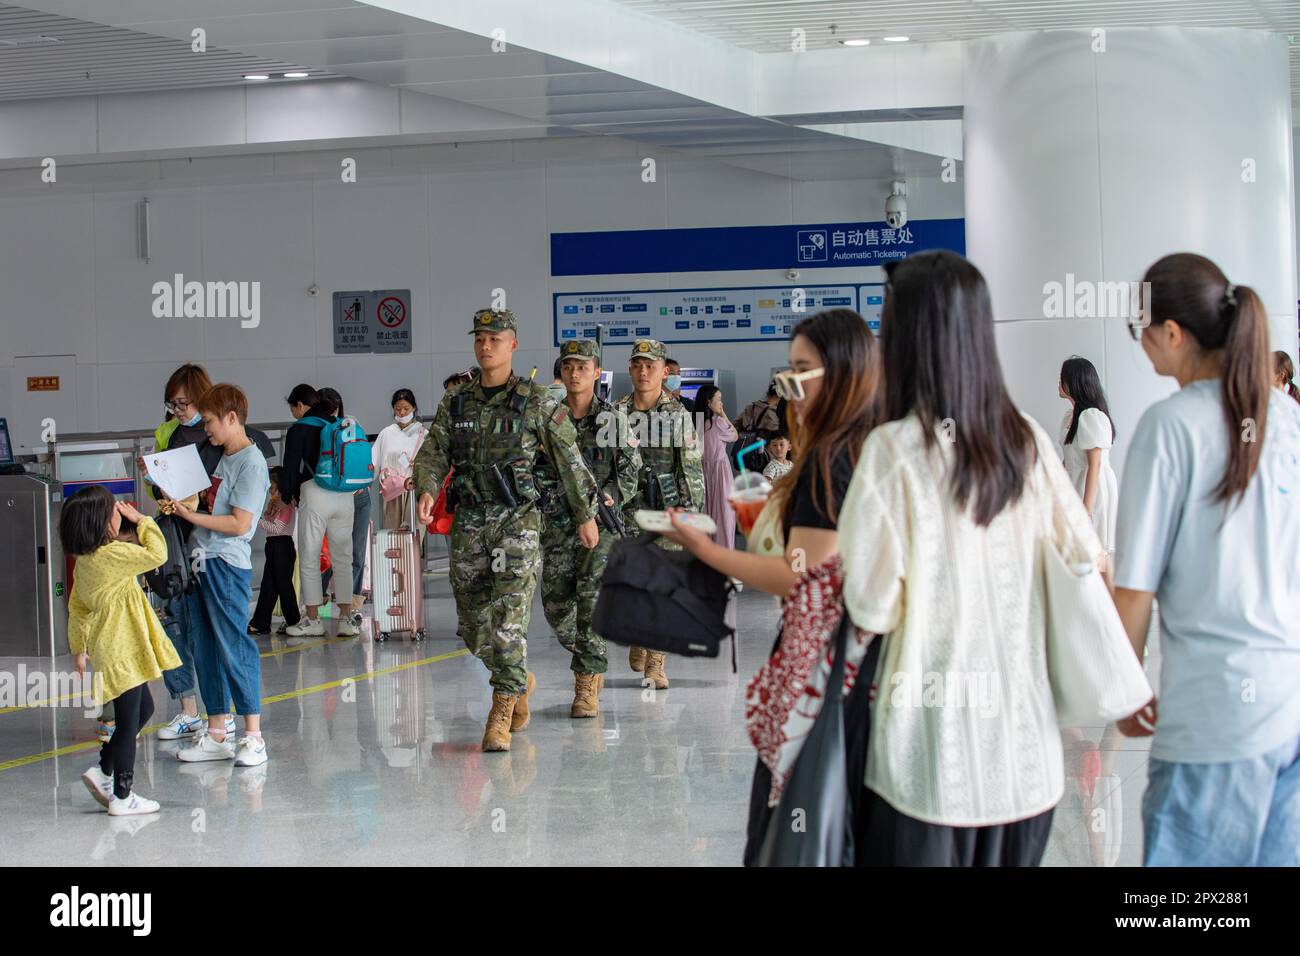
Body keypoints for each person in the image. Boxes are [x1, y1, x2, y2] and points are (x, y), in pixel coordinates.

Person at [839, 250, 1113, 867]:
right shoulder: (1028, 439)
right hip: (1027, 765)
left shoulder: (892, 450)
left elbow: (870, 605)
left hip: (927, 764)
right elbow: (1088, 560)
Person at [658, 308, 880, 865]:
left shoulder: (834, 457)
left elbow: (802, 574)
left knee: (796, 827)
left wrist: (708, 550)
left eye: (801, 372)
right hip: (857, 661)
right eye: (788, 373)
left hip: (825, 668)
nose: (788, 389)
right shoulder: (865, 445)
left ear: (843, 373)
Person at [1112, 253, 1300, 866]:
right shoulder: (1291, 422)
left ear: (1171, 333)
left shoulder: (1168, 429)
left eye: (1138, 329)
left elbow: (1135, 589)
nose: (1139, 344)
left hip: (1213, 725)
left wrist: (1122, 687)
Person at [413, 308, 600, 752]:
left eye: (495, 338)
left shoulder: (537, 401)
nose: (485, 345)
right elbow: (433, 452)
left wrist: (585, 516)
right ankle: (518, 681)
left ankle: (499, 712)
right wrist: (425, 486)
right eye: (479, 337)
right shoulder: (456, 401)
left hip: (517, 523)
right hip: (470, 523)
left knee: (509, 622)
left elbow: (568, 462)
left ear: (513, 344)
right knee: (472, 625)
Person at [149, 364, 266, 742]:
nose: (207, 428)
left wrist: (188, 513)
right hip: (201, 559)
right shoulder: (225, 457)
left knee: (233, 645)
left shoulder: (250, 462)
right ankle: (216, 731)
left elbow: (239, 524)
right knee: (205, 645)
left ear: (231, 419)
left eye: (211, 421)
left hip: (226, 564)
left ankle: (251, 733)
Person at [535, 339, 641, 716]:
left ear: (596, 372)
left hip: (603, 525)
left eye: (582, 367)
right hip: (560, 525)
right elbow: (534, 469)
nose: (575, 373)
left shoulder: (612, 419)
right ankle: (589, 654)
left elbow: (630, 469)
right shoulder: (547, 419)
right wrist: (551, 500)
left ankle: (586, 687)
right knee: (556, 605)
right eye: (568, 366)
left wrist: (611, 495)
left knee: (591, 599)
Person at [62, 489, 180, 815]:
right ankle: (123, 795)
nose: (121, 512)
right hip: (124, 649)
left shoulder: (84, 562)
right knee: (129, 722)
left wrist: (78, 650)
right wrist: (143, 521)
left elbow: (78, 608)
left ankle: (102, 770)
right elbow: (157, 553)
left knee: (143, 710)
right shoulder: (112, 556)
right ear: (102, 522)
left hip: (110, 650)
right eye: (114, 509)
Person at [614, 338, 706, 689]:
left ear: (663, 371)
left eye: (650, 365)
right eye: (637, 365)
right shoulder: (616, 412)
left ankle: (656, 662)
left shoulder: (677, 414)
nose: (643, 371)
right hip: (626, 512)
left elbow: (691, 468)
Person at [281, 386, 360, 637]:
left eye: (293, 408)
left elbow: (291, 468)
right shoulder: (338, 423)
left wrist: (287, 494)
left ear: (301, 406)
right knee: (343, 558)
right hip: (344, 494)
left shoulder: (300, 428)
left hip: (314, 493)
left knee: (310, 556)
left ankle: (314, 619)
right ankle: (347, 618)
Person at [1057, 356, 1119, 580]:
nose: (1059, 382)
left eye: (1062, 378)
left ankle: (1112, 610)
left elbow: (1095, 464)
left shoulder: (1091, 416)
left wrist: (1087, 507)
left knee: (1098, 554)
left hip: (1093, 490)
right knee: (1083, 555)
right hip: (1077, 487)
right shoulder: (1070, 417)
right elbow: (1068, 460)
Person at [248, 466, 299, 635]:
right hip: (272, 546)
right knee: (268, 584)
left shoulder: (287, 504)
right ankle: (261, 622)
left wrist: (255, 520)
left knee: (284, 586)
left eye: (272, 486)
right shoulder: (274, 503)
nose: (270, 490)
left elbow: (277, 528)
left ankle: (294, 620)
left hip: (282, 546)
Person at [695, 383, 738, 548]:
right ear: (709, 402)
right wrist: (723, 414)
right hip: (720, 472)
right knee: (724, 514)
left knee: (706, 512)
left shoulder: (697, 422)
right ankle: (724, 555)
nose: (721, 403)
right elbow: (734, 436)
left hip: (701, 471)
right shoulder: (718, 422)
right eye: (719, 399)